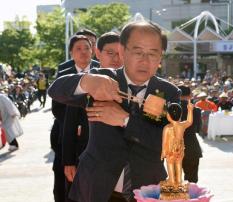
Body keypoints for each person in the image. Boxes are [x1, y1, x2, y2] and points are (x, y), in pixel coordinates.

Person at [48, 21, 180, 202]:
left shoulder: (169, 92)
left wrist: (125, 119)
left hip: (145, 190)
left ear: (160, 58)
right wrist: (86, 82)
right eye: (137, 52)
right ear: (123, 51)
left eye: (152, 53)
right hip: (96, 188)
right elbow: (56, 90)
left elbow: (167, 145)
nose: (144, 60)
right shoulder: (104, 78)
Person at [62, 32, 123, 202]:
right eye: (110, 53)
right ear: (99, 53)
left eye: (120, 53)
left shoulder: (137, 82)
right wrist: (68, 161)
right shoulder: (88, 82)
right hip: (91, 159)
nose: (116, 58)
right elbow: (69, 125)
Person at [50, 34, 96, 202]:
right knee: (65, 182)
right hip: (67, 133)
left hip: (94, 132)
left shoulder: (101, 71)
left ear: (93, 50)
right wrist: (75, 124)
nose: (83, 52)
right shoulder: (64, 72)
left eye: (87, 48)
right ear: (71, 53)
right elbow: (57, 107)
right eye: (78, 49)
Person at [161, 101, 193, 186]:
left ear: (169, 116)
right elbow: (189, 121)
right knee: (179, 163)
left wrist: (163, 152)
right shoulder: (182, 125)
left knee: (170, 163)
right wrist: (190, 110)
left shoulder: (167, 128)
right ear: (180, 115)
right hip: (180, 150)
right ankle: (179, 180)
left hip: (170, 151)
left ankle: (171, 180)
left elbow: (164, 142)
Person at [178, 85, 202, 183]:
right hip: (191, 147)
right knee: (192, 179)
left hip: (175, 148)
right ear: (190, 96)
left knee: (175, 180)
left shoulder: (171, 109)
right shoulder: (195, 110)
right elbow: (198, 129)